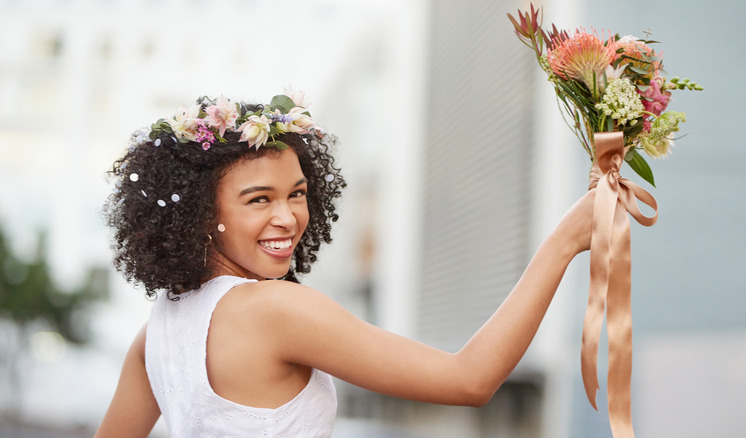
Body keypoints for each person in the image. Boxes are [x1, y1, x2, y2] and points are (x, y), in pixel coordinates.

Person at [94, 92, 594, 437]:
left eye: (297, 193)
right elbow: (469, 379)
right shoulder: (272, 310)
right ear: (200, 214)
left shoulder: (158, 327)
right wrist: (565, 241)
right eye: (258, 200)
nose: (287, 217)